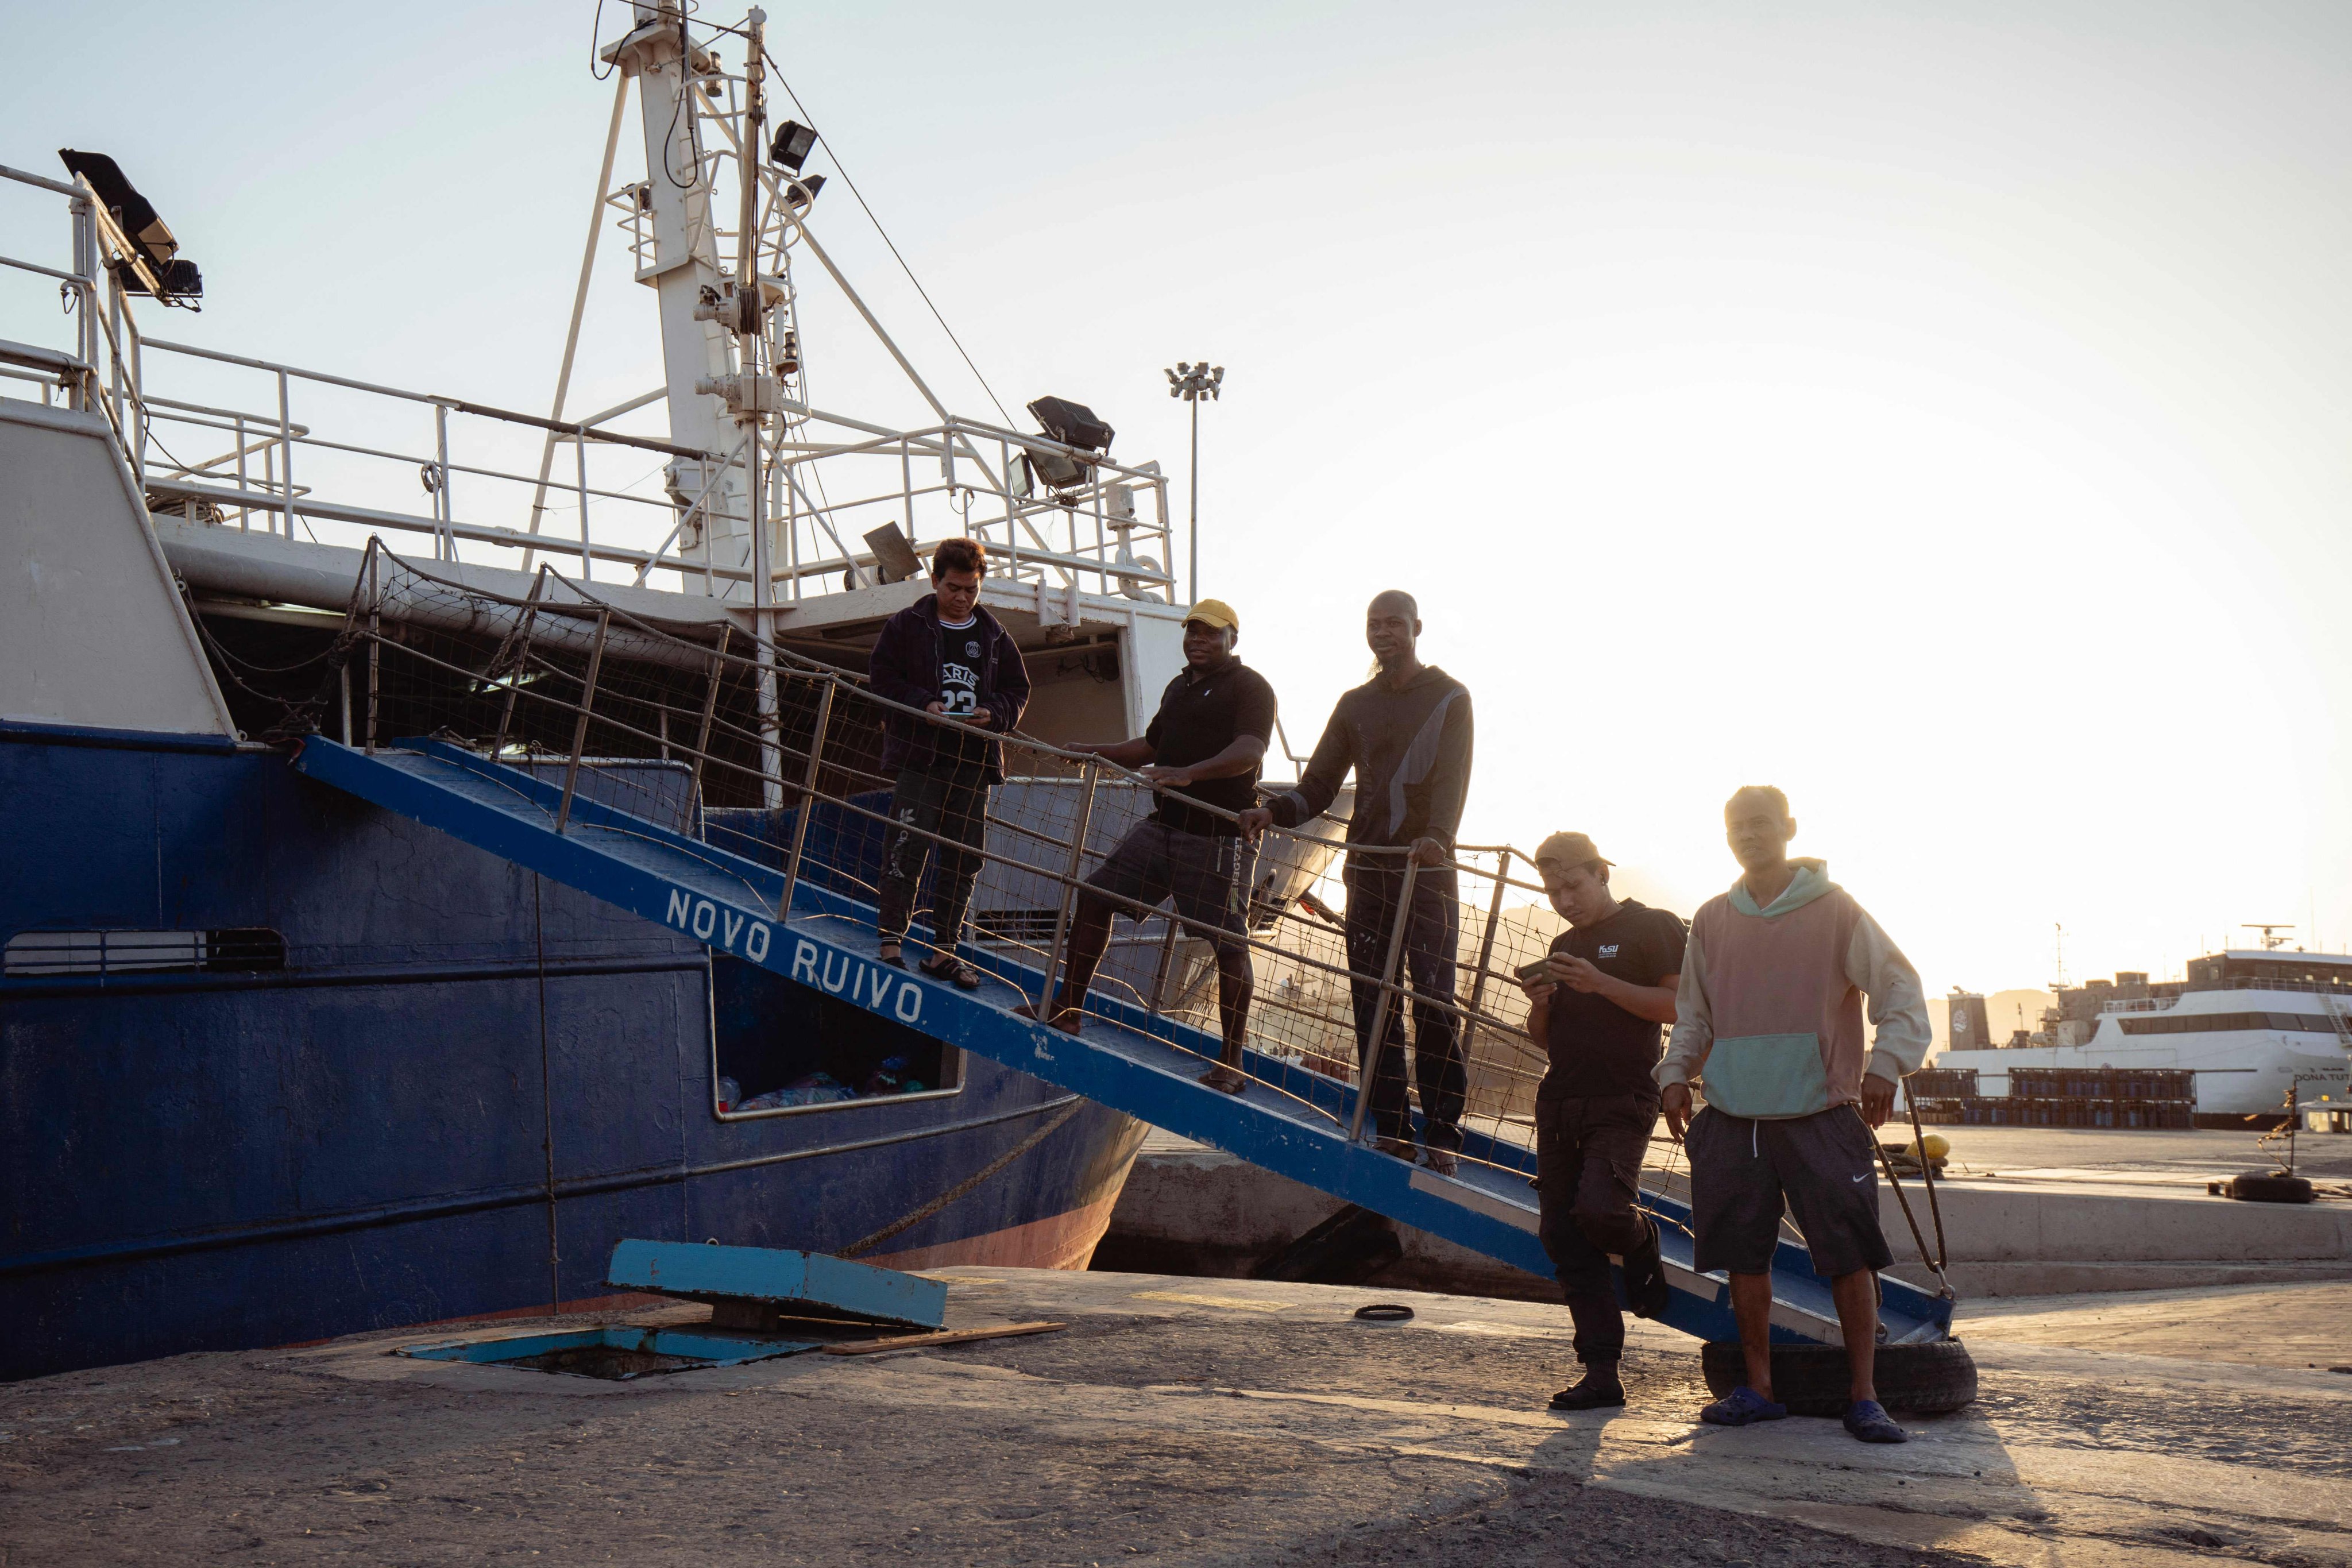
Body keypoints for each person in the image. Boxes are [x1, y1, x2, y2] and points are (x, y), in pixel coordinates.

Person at [1657, 786, 1931, 1444]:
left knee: (1847, 1257)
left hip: (1821, 1111)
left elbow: (1901, 990)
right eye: (1736, 827)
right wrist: (1673, 1076)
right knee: (1744, 1259)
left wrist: (1885, 1066)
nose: (1749, 835)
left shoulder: (1836, 911)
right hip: (1731, 1114)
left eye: (1760, 824)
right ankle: (1758, 1388)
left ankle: (1865, 1397)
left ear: (1788, 828)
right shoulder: (1713, 918)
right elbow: (1693, 1015)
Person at [1238, 590, 1473, 1172]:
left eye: (1394, 623)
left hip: (1427, 872)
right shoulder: (1354, 704)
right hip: (1366, 872)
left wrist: (1439, 835)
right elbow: (1318, 787)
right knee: (1373, 1002)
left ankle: (1442, 1133)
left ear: (1417, 627)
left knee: (1434, 1003)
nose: (1383, 632)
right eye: (1374, 624)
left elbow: (1453, 782)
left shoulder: (1450, 697)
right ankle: (1392, 1127)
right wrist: (1276, 811)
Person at [1026, 600, 1276, 1094]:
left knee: (1228, 946)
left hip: (1216, 838)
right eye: (1192, 632)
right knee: (1095, 896)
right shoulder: (1179, 687)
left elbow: (1250, 752)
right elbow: (1149, 746)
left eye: (1209, 633)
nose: (1197, 640)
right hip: (1163, 826)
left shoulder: (1250, 687)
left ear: (1233, 639)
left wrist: (1190, 773)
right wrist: (1090, 750)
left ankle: (1231, 1061)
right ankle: (1068, 1010)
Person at [1515, 832, 1683, 1411]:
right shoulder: (1563, 943)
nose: (1564, 899)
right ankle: (1601, 1374)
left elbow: (1678, 1008)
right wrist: (1541, 1005)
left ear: (1601, 874)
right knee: (1561, 1233)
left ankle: (1641, 1239)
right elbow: (1545, 1039)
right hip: (1559, 1099)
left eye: (1574, 885)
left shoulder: (1653, 926)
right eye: (1554, 889)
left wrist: (1599, 982)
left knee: (1601, 1211)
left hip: (1625, 1097)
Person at [866, 538, 1030, 989]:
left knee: (964, 858)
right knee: (906, 847)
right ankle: (890, 942)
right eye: (954, 588)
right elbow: (882, 679)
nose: (962, 599)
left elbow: (1018, 690)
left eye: (971, 590)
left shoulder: (993, 634)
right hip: (921, 757)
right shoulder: (906, 625)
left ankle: (944, 952)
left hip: (972, 760)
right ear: (936, 580)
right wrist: (922, 704)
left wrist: (994, 714)